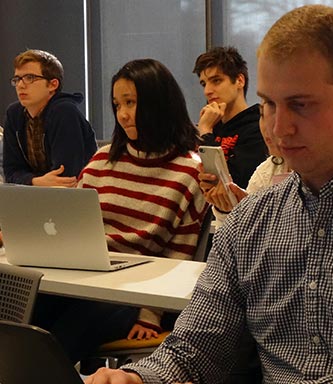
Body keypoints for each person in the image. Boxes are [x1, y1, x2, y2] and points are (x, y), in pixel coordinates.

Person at [87, 5, 333, 384]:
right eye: (269, 104)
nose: (279, 127)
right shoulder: (250, 220)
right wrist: (137, 377)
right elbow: (194, 348)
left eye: (300, 105)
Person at [34, 58, 207, 365]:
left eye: (131, 102)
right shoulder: (102, 161)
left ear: (159, 104)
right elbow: (66, 224)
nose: (123, 114)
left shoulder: (188, 173)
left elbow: (180, 253)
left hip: (132, 293)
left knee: (59, 339)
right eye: (117, 104)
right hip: (80, 276)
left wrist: (150, 314)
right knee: (23, 306)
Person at [3, 49, 97, 186]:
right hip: (33, 196)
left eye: (30, 78)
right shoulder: (14, 114)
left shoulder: (64, 112)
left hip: (75, 197)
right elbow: (10, 172)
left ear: (53, 85)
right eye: (17, 79)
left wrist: (30, 182)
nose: (20, 85)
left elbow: (65, 178)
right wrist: (36, 181)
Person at [193, 46, 268, 188]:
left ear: (240, 80)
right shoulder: (212, 125)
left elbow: (234, 184)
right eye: (204, 83)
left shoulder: (258, 126)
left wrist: (206, 132)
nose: (207, 91)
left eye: (216, 81)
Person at [200, 111, 291, 221]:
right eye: (262, 115)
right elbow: (241, 232)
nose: (266, 127)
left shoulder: (251, 134)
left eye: (275, 116)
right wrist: (230, 208)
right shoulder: (268, 168)